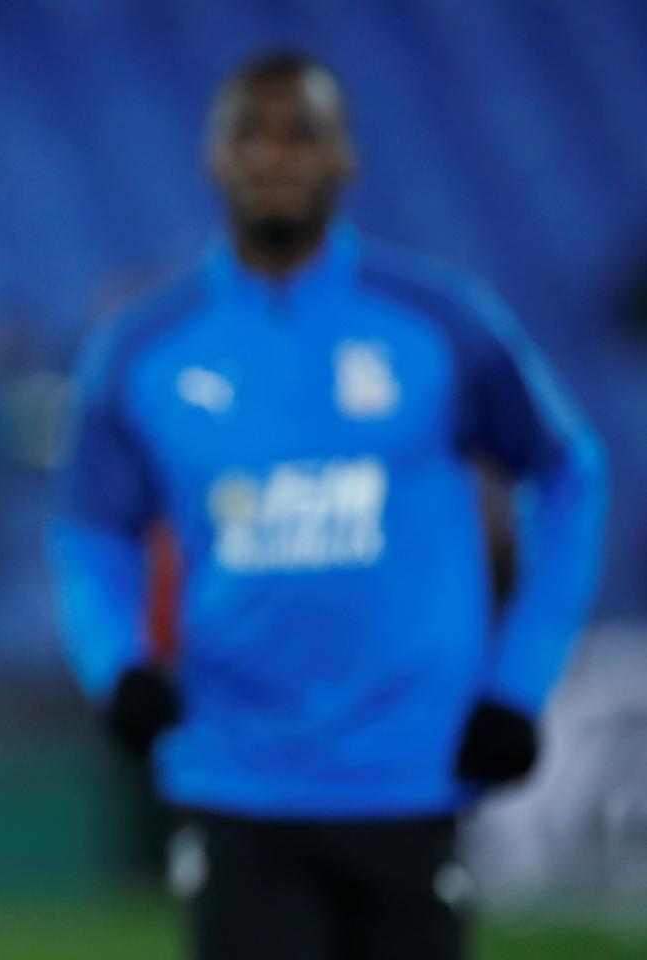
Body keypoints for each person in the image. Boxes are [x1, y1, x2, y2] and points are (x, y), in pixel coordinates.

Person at [48, 52, 607, 960]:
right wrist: (118, 663)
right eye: (250, 132)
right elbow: (90, 529)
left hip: (410, 776)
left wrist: (519, 683)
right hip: (233, 775)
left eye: (300, 132)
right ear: (213, 156)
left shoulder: (439, 322)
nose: (275, 155)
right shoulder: (143, 349)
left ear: (345, 156)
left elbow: (570, 474)